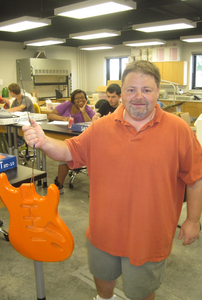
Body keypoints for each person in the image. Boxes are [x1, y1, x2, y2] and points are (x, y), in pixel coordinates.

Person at [22, 60, 202, 300]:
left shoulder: (179, 130)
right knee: (103, 284)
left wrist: (192, 220)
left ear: (158, 92)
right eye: (131, 89)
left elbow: (195, 177)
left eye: (146, 90)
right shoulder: (101, 128)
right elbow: (67, 152)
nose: (138, 97)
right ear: (122, 92)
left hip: (149, 236)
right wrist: (44, 142)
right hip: (103, 231)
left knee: (142, 292)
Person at [48, 89, 95, 193]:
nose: (80, 100)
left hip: (82, 140)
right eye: (77, 98)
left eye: (82, 97)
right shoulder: (67, 105)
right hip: (66, 137)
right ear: (73, 100)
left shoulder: (87, 109)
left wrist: (83, 111)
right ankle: (59, 185)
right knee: (64, 157)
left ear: (86, 99)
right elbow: (51, 115)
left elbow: (91, 123)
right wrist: (63, 119)